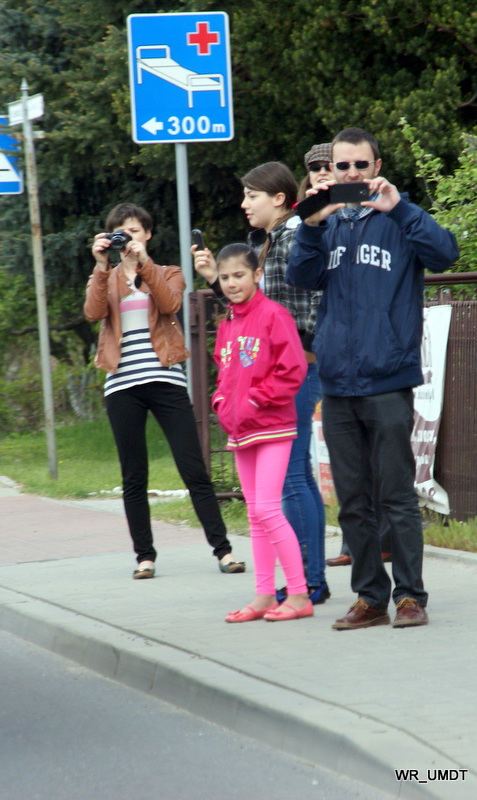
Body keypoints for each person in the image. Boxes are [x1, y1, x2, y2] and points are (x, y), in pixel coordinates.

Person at [286, 127, 459, 629]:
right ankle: (369, 598)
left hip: (387, 379)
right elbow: (300, 278)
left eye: (361, 165)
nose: (352, 174)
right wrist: (312, 224)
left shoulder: (399, 218)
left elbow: (445, 253)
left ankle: (410, 597)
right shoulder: (325, 224)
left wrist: (399, 208)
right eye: (342, 167)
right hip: (338, 382)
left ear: (377, 167)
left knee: (397, 496)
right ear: (331, 171)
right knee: (353, 501)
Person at [83, 202, 245, 579]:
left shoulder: (168, 272)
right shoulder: (106, 276)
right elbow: (93, 312)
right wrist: (100, 265)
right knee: (134, 475)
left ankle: (223, 551)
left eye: (135, 231)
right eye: (122, 232)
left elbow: (171, 302)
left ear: (148, 234)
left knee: (193, 469)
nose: (128, 239)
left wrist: (144, 263)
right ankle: (145, 557)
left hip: (166, 380)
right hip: (122, 385)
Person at [193, 161, 329, 605]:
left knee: (291, 479)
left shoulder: (294, 236)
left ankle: (306, 582)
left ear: (279, 198)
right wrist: (216, 279)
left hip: (295, 366)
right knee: (296, 478)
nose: (244, 203)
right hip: (280, 370)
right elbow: (249, 309)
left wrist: (255, 395)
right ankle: (308, 578)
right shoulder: (266, 240)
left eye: (252, 195)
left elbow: (280, 311)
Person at [212, 243, 313, 623]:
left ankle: (299, 595)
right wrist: (221, 402)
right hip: (241, 430)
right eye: (225, 277)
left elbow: (293, 368)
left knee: (268, 509)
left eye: (239, 275)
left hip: (272, 426)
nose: (231, 283)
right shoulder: (227, 322)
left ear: (257, 275)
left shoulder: (274, 315)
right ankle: (264, 595)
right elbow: (223, 370)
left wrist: (255, 400)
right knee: (255, 514)